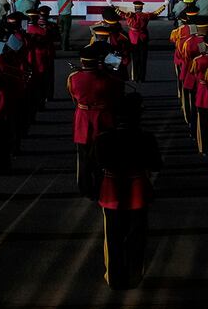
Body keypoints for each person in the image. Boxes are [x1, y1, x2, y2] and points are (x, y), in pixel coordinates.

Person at [93, 93, 162, 289]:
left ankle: (114, 276)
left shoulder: (103, 139)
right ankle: (133, 275)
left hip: (111, 191)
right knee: (136, 236)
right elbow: (156, 164)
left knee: (113, 237)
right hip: (137, 189)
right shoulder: (146, 138)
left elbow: (96, 165)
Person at [67, 43, 125, 199]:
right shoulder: (108, 78)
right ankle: (102, 186)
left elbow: (74, 97)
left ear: (82, 61)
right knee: (105, 156)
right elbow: (117, 95)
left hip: (83, 117)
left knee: (84, 157)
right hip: (104, 117)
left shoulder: (74, 78)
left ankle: (85, 188)